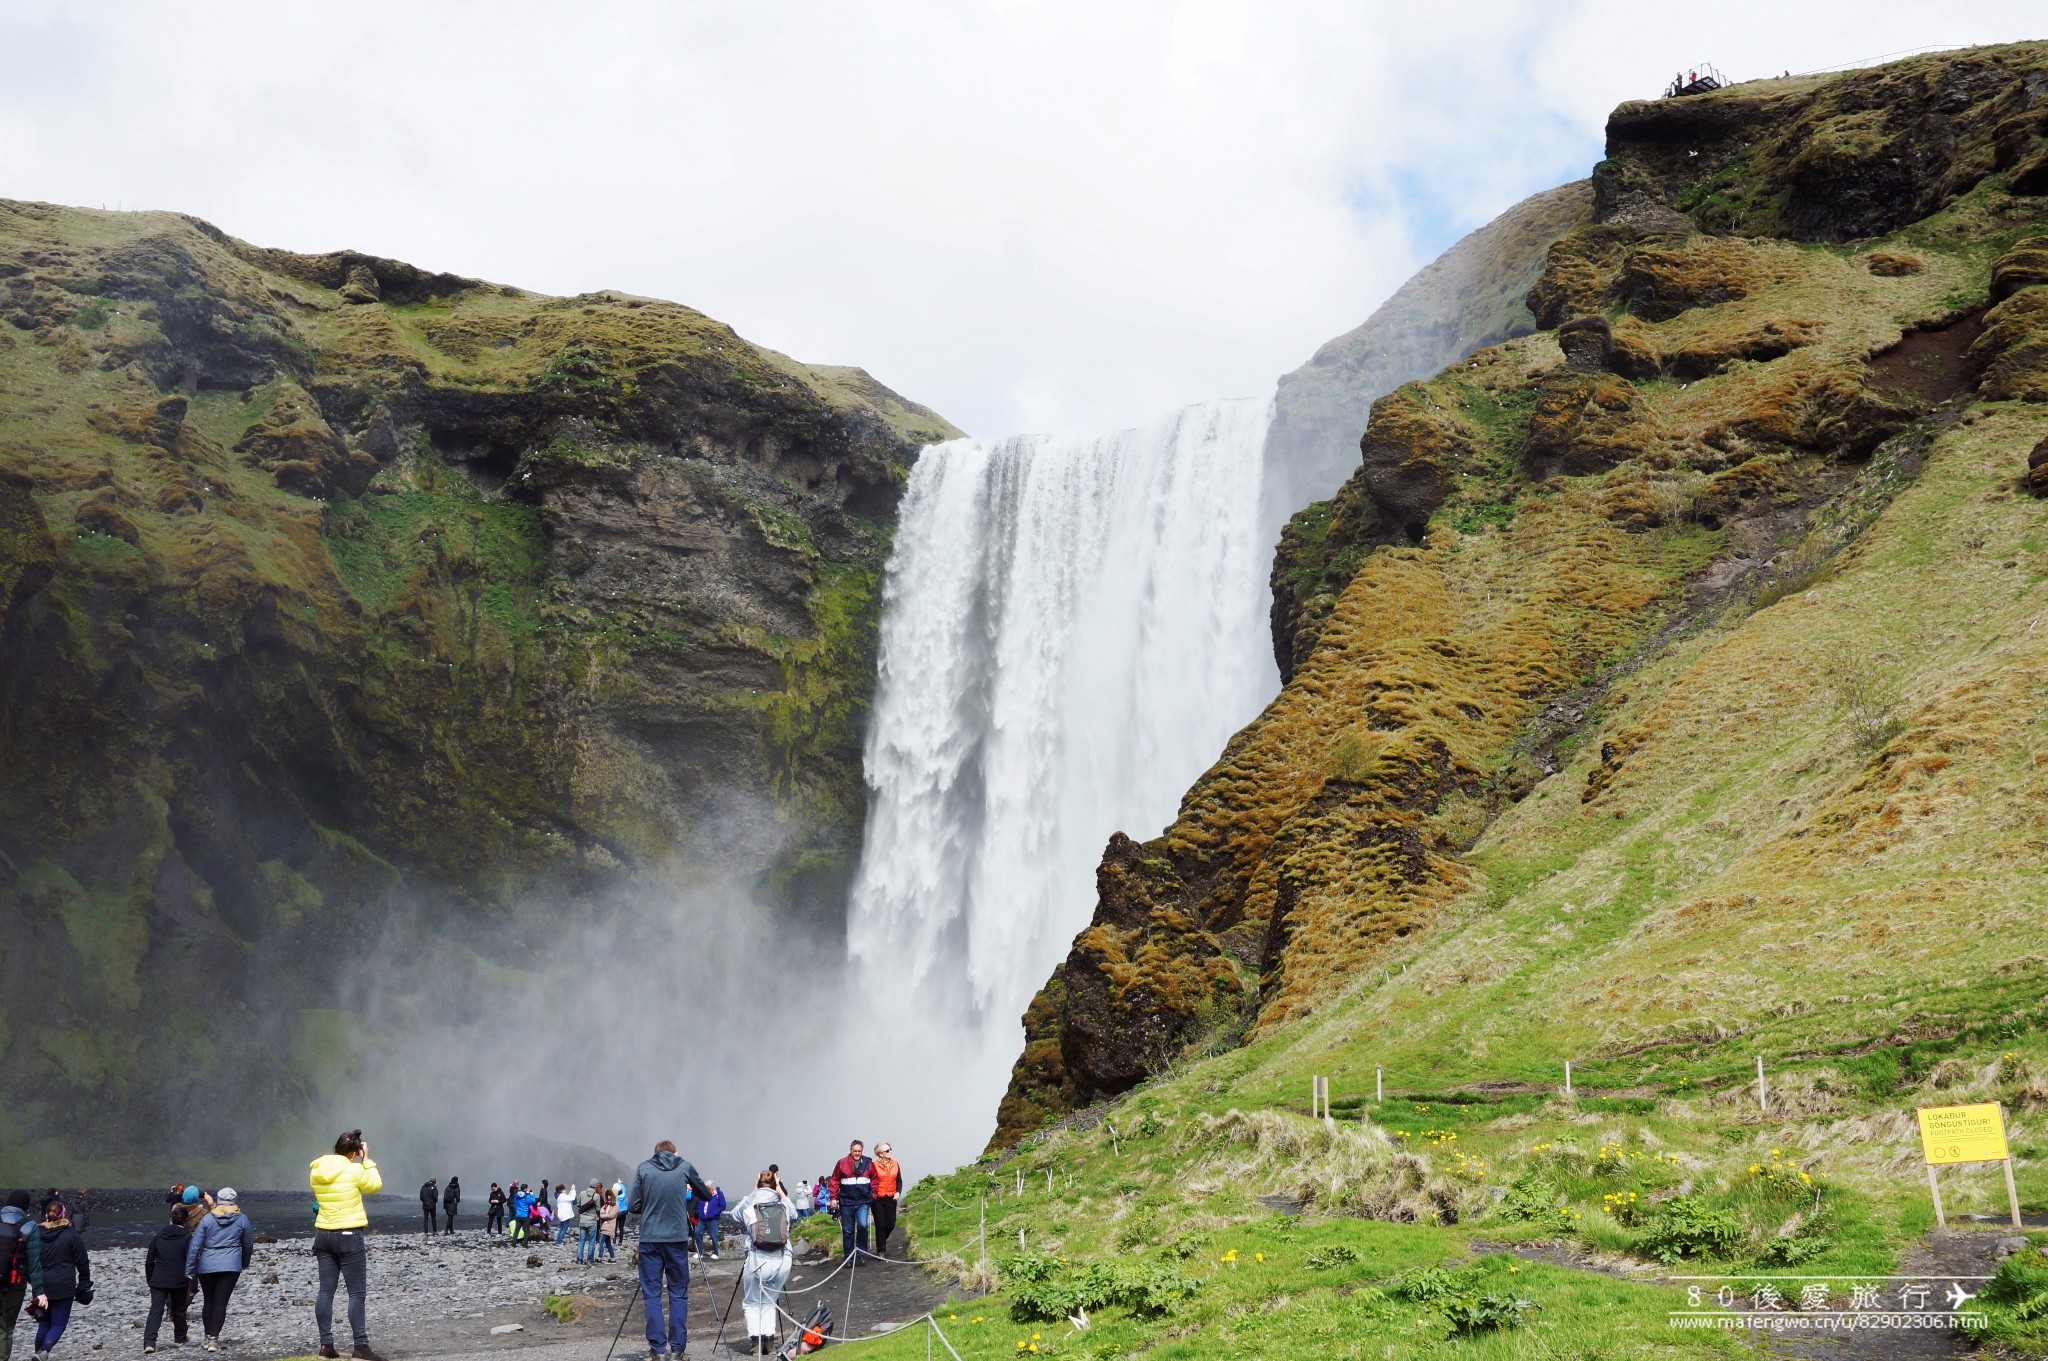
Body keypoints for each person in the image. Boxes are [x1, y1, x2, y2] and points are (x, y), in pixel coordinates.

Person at [628, 1139, 712, 1359]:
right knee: (678, 1293)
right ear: (674, 1152)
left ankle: (657, 1349)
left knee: (652, 1294)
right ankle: (677, 1350)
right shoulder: (683, 1166)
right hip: (676, 1239)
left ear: (655, 1153)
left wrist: (652, 1202)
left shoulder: (644, 1168)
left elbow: (634, 1205)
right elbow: (706, 1195)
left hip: (650, 1240)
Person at [309, 1129, 385, 1361]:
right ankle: (361, 1348)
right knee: (356, 1293)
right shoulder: (354, 1169)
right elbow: (375, 1186)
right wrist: (367, 1160)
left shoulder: (317, 1169)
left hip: (323, 1234)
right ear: (354, 1153)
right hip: (349, 1234)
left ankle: (326, 1346)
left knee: (325, 1291)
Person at [733, 1172, 797, 1357]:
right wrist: (780, 1191)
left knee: (752, 1302)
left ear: (758, 1183)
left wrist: (752, 1192)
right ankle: (769, 1342)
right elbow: (794, 1213)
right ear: (774, 1184)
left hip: (757, 1258)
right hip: (783, 1258)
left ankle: (756, 1342)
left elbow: (737, 1215)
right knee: (770, 1301)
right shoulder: (783, 1204)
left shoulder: (750, 1204)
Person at [186, 1189, 253, 1353]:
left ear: (218, 1199)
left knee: (208, 1301)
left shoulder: (207, 1219)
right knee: (221, 1303)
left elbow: (195, 1245)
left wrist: (189, 1268)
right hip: (231, 1265)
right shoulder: (242, 1219)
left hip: (207, 1265)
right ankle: (214, 1340)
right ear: (235, 1200)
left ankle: (207, 1337)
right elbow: (248, 1244)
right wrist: (244, 1262)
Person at [32, 1199, 87, 1361]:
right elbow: (82, 1261)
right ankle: (44, 1351)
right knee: (58, 1324)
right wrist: (84, 1281)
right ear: (63, 1214)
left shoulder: (37, 1234)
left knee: (44, 1323)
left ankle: (38, 1352)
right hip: (64, 1284)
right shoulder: (71, 1234)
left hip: (42, 1284)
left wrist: (33, 1282)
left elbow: (30, 1260)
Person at [0, 1189, 47, 1361]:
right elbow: (34, 1264)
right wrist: (38, 1293)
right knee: (5, 1327)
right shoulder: (29, 1227)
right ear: (25, 1207)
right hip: (15, 1285)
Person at [141, 1206, 192, 1354]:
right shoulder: (187, 1237)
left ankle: (149, 1342)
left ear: (171, 1218)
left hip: (159, 1278)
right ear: (185, 1220)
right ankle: (179, 1338)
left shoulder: (159, 1236)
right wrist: (192, 1279)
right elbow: (191, 1260)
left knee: (155, 1311)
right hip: (179, 1279)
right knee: (179, 1309)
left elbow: (149, 1259)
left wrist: (150, 1278)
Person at [829, 1140, 877, 1260]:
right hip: (846, 1202)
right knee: (848, 1231)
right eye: (855, 1151)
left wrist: (873, 1195)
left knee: (862, 1226)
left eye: (859, 1151)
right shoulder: (841, 1163)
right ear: (850, 1150)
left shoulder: (868, 1162)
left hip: (863, 1201)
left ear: (862, 1151)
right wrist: (833, 1198)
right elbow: (834, 1180)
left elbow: (874, 1180)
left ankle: (861, 1254)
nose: (857, 1153)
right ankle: (848, 1258)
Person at [869, 1144, 902, 1258]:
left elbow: (899, 1181)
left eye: (890, 1149)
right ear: (880, 1154)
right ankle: (881, 1250)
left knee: (891, 1224)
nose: (890, 1151)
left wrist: (898, 1192)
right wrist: (872, 1195)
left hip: (891, 1198)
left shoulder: (896, 1163)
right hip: (877, 1199)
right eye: (887, 1150)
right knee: (881, 1224)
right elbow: (870, 1181)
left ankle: (881, 1240)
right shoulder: (873, 1165)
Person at [692, 1184, 725, 1262]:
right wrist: (699, 1213)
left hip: (712, 1219)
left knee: (714, 1236)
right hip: (702, 1219)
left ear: (712, 1187)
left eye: (708, 1188)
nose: (707, 1190)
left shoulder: (718, 1194)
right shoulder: (703, 1194)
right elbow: (699, 1204)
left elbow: (723, 1206)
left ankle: (715, 1253)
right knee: (698, 1233)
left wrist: (715, 1213)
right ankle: (700, 1252)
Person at [575, 1182, 601, 1264]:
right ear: (596, 1187)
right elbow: (598, 1209)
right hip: (592, 1221)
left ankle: (579, 1259)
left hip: (582, 1220)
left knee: (581, 1241)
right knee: (592, 1241)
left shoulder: (582, 1193)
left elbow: (578, 1204)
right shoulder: (596, 1196)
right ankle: (590, 1259)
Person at [596, 1191, 619, 1262]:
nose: (608, 1197)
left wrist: (603, 1216)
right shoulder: (606, 1205)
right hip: (604, 1226)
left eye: (610, 1195)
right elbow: (601, 1212)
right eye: (607, 1196)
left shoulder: (615, 1205)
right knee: (608, 1243)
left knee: (601, 1241)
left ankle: (600, 1256)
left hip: (610, 1225)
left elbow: (611, 1215)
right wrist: (604, 1215)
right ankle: (613, 1257)